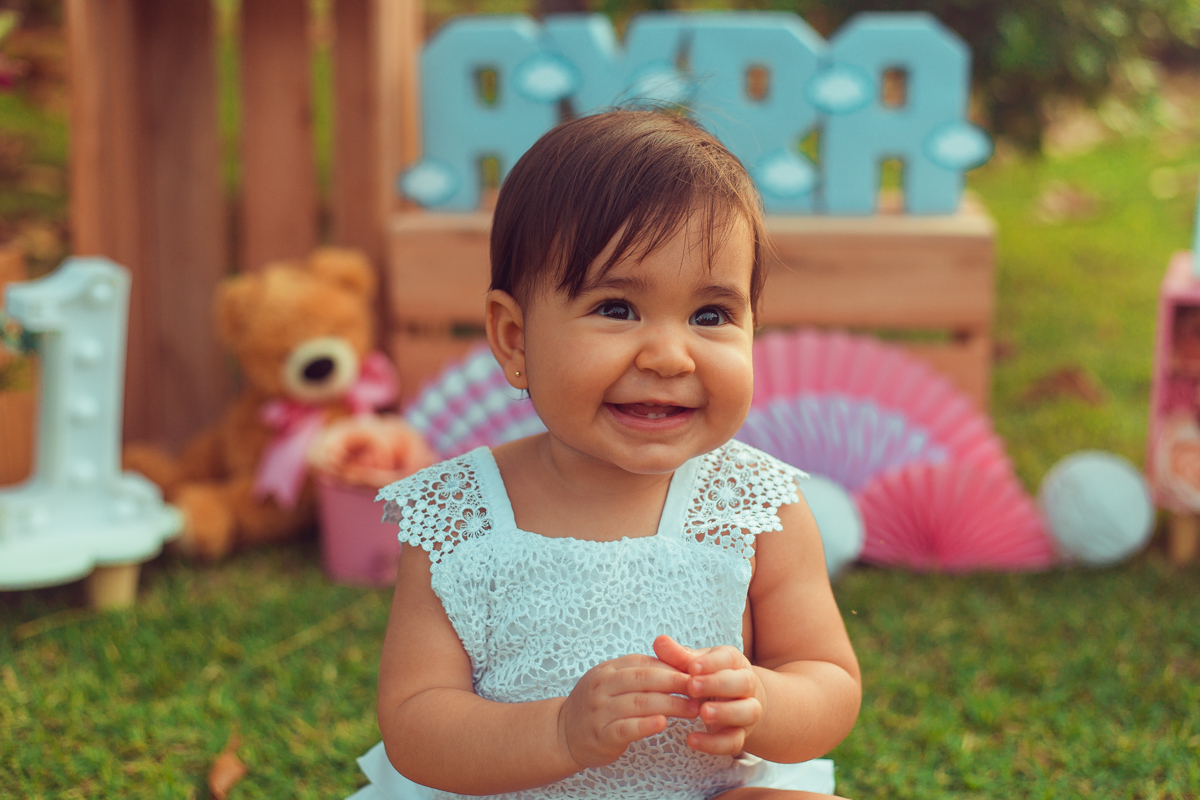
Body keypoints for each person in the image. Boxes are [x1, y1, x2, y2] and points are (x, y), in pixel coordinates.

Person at [347, 109, 861, 800]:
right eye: (617, 307)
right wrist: (560, 732)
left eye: (711, 315)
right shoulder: (460, 519)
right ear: (514, 338)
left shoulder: (755, 507)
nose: (669, 355)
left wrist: (762, 700)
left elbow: (827, 679)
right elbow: (417, 722)